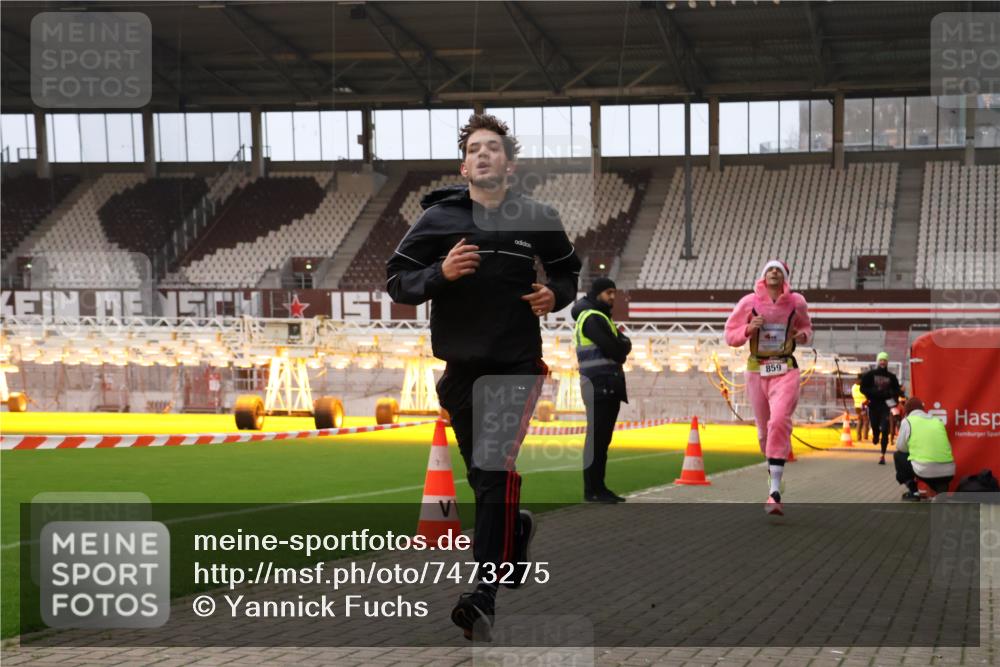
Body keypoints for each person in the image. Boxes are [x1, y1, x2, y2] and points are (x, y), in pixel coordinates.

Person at [386, 113, 580, 641]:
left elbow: (567, 271)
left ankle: (483, 596)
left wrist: (555, 295)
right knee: (482, 478)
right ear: (463, 166)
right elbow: (397, 280)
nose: (483, 154)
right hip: (460, 372)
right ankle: (514, 530)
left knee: (493, 471)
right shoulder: (438, 220)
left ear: (509, 165)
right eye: (474, 149)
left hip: (516, 364)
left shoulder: (537, 217)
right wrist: (440, 273)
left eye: (493, 147)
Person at [725, 260, 813, 516]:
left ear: (785, 277)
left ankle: (774, 491)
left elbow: (807, 327)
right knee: (764, 432)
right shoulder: (748, 302)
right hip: (756, 370)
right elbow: (730, 335)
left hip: (785, 368)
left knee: (779, 420)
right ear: (763, 276)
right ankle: (773, 470)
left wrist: (802, 336)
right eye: (770, 269)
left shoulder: (796, 302)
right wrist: (748, 328)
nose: (774, 272)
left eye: (778, 270)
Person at [571, 277, 631, 503]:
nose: (612, 297)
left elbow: (622, 345)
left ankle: (599, 487)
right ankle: (593, 490)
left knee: (601, 440)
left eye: (614, 292)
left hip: (605, 385)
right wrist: (621, 347)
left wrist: (621, 346)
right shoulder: (592, 318)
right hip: (599, 384)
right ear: (597, 293)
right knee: (597, 440)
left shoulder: (600, 317)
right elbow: (616, 349)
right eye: (608, 292)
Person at [893, 398, 955, 500]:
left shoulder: (907, 421)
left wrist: (913, 449)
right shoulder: (937, 420)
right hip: (949, 471)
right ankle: (939, 493)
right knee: (937, 472)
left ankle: (914, 492)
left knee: (898, 455)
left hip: (925, 471)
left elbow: (901, 447)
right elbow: (948, 447)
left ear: (907, 411)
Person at [860, 351, 903, 465]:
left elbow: (897, 390)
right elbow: (862, 388)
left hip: (885, 406)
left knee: (885, 429)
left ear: (887, 362)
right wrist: (873, 392)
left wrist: (891, 395)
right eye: (881, 360)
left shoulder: (891, 377)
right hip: (873, 404)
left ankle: (882, 455)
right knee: (875, 426)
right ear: (878, 362)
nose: (883, 362)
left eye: (885, 360)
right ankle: (875, 435)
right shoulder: (870, 375)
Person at [851, 373, 870, 443]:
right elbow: (867, 395)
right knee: (866, 421)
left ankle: (859, 437)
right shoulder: (863, 386)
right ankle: (865, 437)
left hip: (856, 405)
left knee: (860, 420)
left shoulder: (853, 386)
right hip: (863, 405)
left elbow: (853, 395)